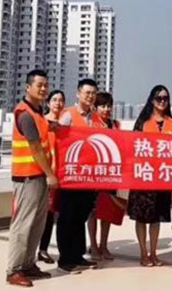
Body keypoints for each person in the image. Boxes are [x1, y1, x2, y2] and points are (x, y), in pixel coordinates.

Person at [6, 70, 58, 288]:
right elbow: (35, 147)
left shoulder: (38, 113)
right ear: (28, 87)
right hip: (27, 177)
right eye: (39, 85)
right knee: (23, 224)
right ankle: (14, 270)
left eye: (46, 85)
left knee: (37, 223)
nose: (44, 89)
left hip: (38, 176)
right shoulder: (25, 114)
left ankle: (28, 265)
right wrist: (50, 174)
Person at [128, 84, 172, 267]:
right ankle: (143, 253)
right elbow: (132, 146)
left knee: (156, 217)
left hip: (163, 177)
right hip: (144, 177)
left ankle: (154, 253)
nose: (162, 101)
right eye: (159, 98)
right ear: (151, 100)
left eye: (165, 98)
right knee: (142, 217)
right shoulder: (142, 122)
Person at [56, 78, 101, 273]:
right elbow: (58, 140)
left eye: (93, 93)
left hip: (89, 177)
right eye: (87, 93)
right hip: (71, 176)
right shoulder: (68, 115)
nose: (90, 96)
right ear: (78, 94)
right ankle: (65, 259)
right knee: (68, 216)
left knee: (81, 216)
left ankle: (77, 255)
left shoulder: (96, 118)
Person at [88, 92, 117, 261]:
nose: (106, 109)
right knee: (93, 212)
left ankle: (104, 245)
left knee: (107, 212)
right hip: (93, 175)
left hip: (110, 175)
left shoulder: (115, 125)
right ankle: (93, 245)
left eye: (108, 106)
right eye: (103, 106)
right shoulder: (90, 123)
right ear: (95, 107)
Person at [37, 89, 65, 265]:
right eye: (54, 100)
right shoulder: (42, 122)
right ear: (48, 103)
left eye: (61, 100)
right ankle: (37, 250)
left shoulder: (65, 124)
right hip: (45, 173)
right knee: (42, 214)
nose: (57, 103)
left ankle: (44, 249)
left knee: (53, 214)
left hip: (61, 175)